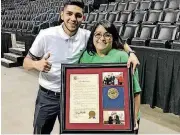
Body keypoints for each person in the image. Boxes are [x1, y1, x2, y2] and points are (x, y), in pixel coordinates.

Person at [23, 0, 140, 133]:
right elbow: (26, 62)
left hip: (73, 96)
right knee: (41, 131)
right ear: (62, 15)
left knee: (72, 132)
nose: (73, 18)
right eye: (69, 14)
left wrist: (131, 53)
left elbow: (113, 37)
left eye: (78, 15)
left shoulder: (86, 36)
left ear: (82, 18)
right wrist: (35, 64)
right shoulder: (46, 35)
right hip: (47, 96)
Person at [79, 20, 141, 134]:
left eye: (107, 35)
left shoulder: (123, 57)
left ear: (113, 38)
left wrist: (134, 117)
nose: (102, 38)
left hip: (122, 117)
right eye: (97, 34)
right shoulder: (86, 56)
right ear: (92, 36)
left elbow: (136, 93)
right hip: (95, 115)